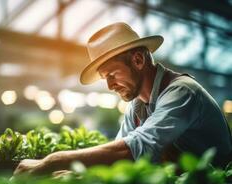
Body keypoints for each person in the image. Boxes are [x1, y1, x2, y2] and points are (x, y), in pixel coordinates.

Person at [13, 22, 232, 176]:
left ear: (138, 60)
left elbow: (134, 148)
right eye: (104, 78)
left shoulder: (183, 92)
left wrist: (52, 161)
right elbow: (121, 153)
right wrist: (76, 174)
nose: (109, 85)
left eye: (112, 74)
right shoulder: (137, 107)